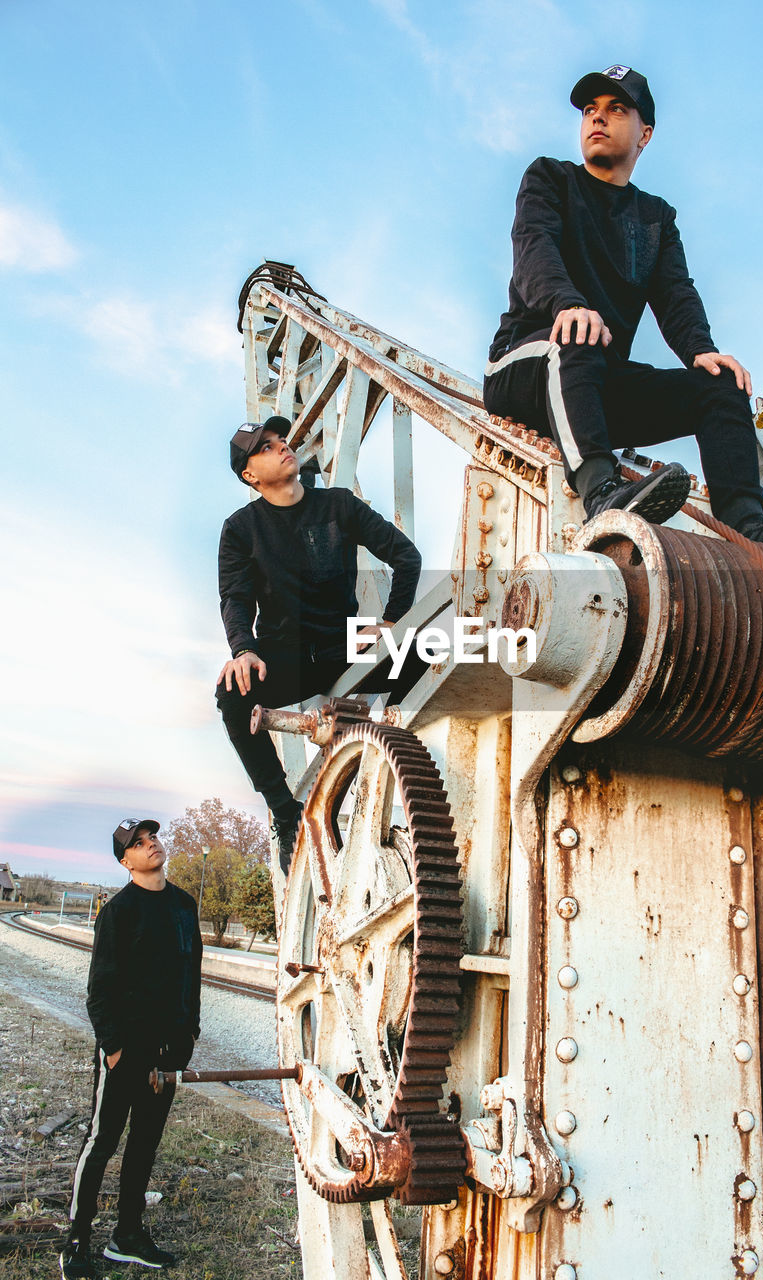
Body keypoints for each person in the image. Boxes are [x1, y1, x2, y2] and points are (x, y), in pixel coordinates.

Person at [483, 64, 763, 557]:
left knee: (721, 385)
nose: (597, 119)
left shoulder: (655, 217)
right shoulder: (550, 177)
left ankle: (748, 524)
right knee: (574, 342)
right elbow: (533, 249)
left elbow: (676, 293)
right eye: (590, 110)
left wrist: (701, 350)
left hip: (598, 389)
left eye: (615, 109)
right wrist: (567, 304)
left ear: (645, 133)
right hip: (526, 370)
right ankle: (603, 494)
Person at [216, 417, 422, 868]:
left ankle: (398, 770)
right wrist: (243, 650)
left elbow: (407, 557)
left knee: (424, 658)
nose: (282, 447)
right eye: (266, 447)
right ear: (250, 475)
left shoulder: (339, 506)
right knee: (231, 693)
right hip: (283, 655)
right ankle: (286, 813)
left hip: (343, 647)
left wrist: (389, 621)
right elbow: (235, 597)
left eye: (281, 440)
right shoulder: (240, 529)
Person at [60, 819, 202, 1279]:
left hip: (169, 1052)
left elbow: (191, 974)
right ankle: (76, 1241)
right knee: (102, 1141)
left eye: (152, 838)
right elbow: (99, 989)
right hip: (126, 1051)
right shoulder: (118, 912)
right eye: (138, 844)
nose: (151, 845)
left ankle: (127, 1237)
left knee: (144, 1144)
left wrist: (189, 1036)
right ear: (126, 861)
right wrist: (115, 1048)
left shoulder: (183, 905)